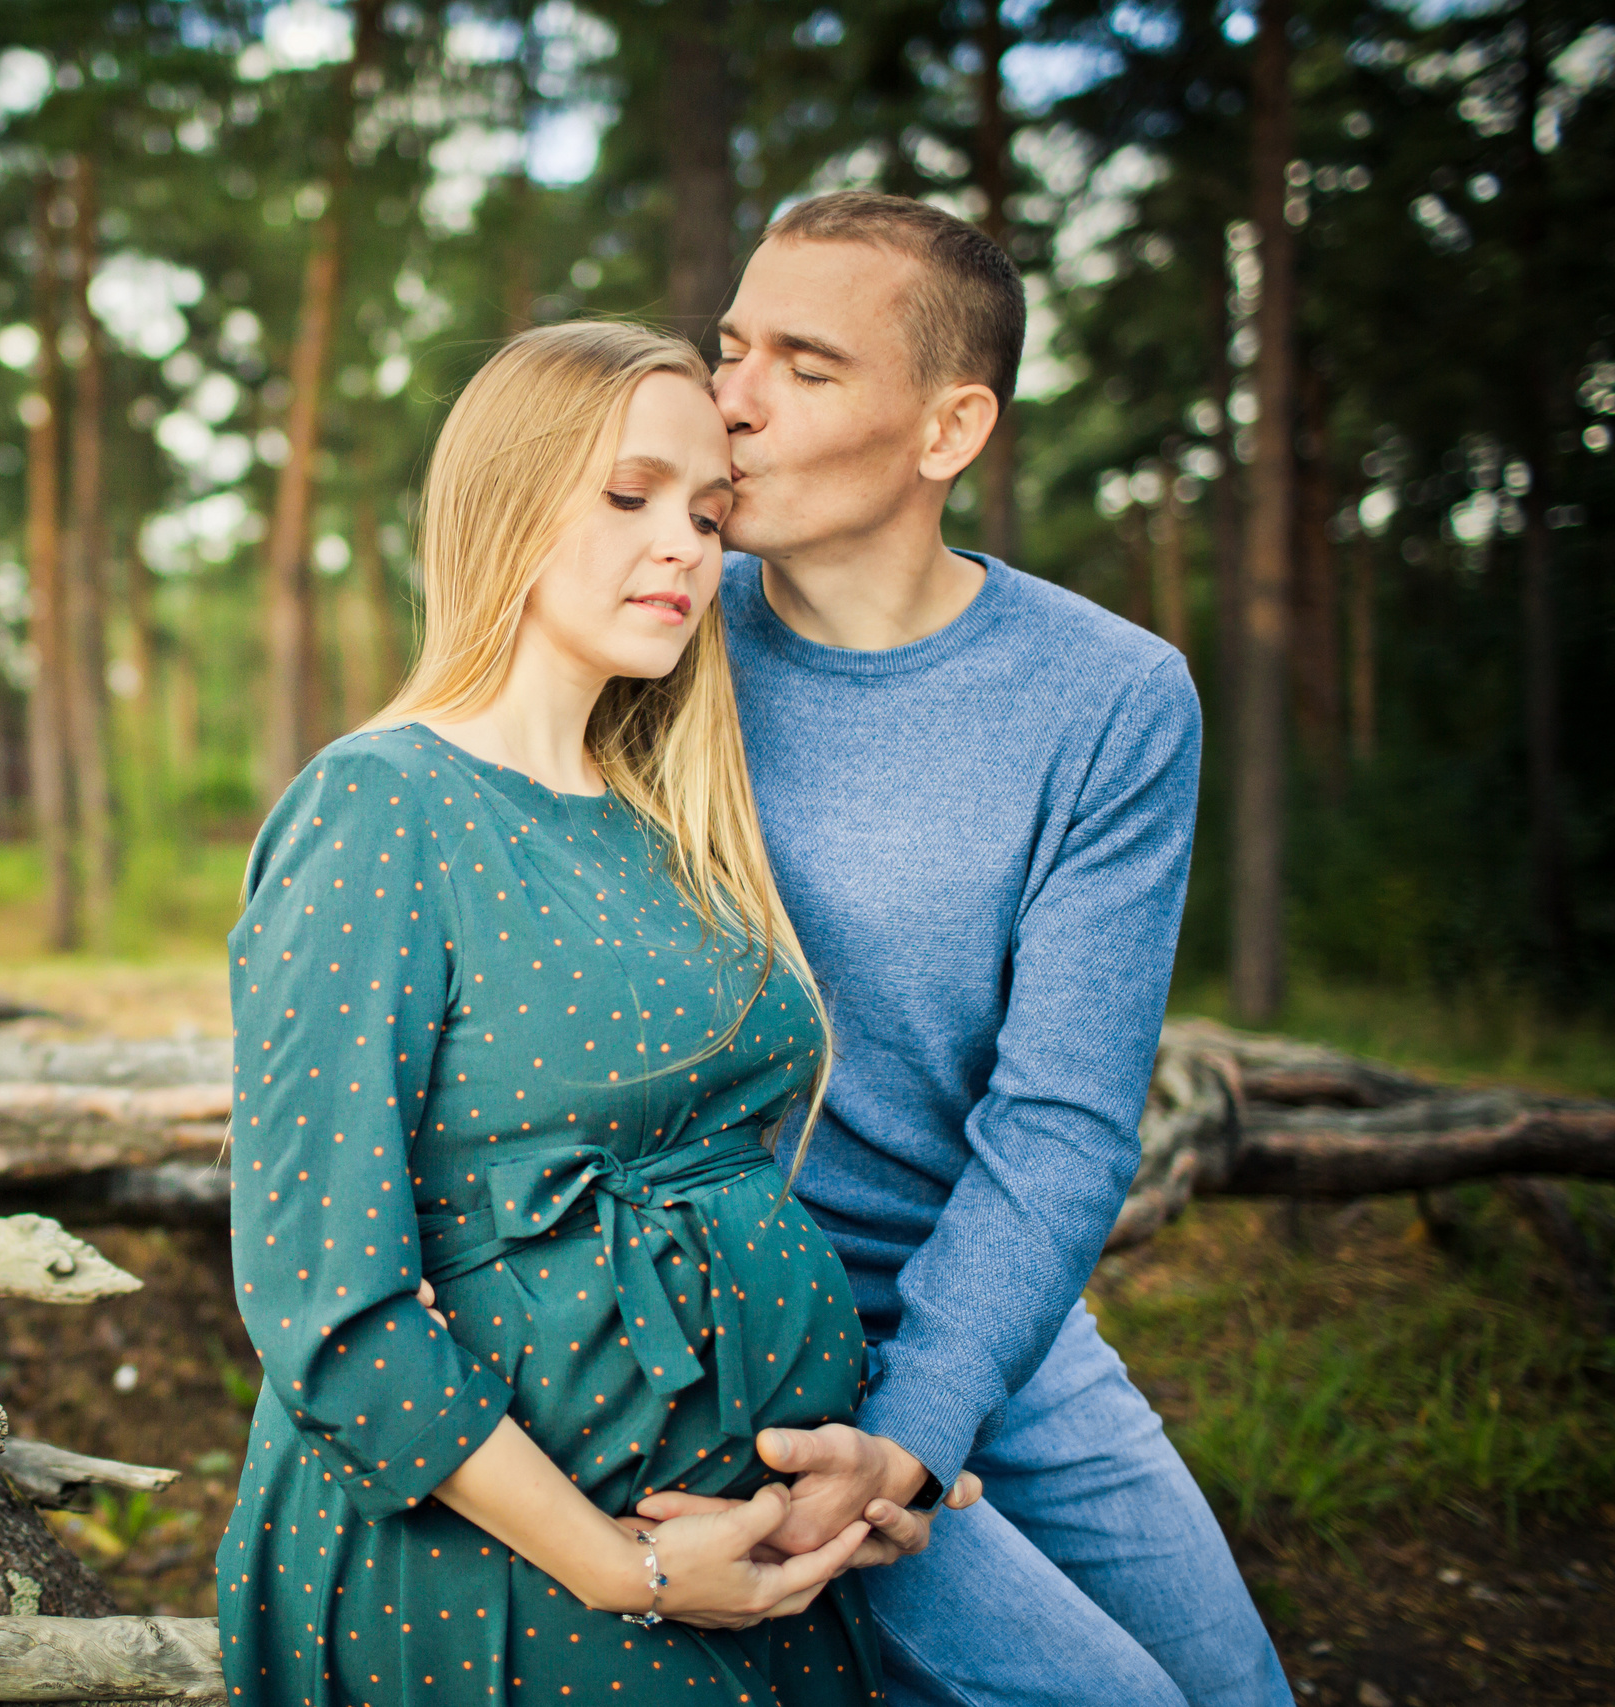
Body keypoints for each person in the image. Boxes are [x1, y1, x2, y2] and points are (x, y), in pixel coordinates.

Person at [214, 321, 974, 1707]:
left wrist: (860, 1466)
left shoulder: (670, 827)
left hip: (766, 1563)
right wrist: (629, 1571)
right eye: (629, 496)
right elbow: (330, 1307)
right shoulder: (379, 808)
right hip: (519, 1578)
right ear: (506, 497)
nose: (684, 545)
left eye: (706, 511)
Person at [633, 191, 1295, 1707]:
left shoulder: (1112, 700)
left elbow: (1063, 1118)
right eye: (729, 348)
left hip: (994, 1310)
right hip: (731, 1333)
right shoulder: (660, 641)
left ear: (948, 432)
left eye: (805, 368)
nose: (728, 403)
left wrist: (922, 1426)